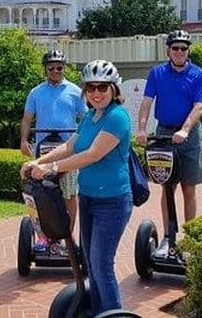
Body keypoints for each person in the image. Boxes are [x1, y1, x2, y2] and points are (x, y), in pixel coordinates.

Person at [21, 59, 133, 315]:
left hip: (112, 202)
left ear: (114, 89)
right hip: (89, 199)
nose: (96, 93)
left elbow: (93, 154)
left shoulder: (117, 117)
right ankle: (96, 311)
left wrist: (53, 169)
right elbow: (70, 145)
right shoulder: (91, 117)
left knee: (101, 263)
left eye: (102, 88)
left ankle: (113, 313)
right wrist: (39, 160)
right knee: (90, 264)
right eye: (91, 87)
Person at [136, 29, 202, 255]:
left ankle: (189, 239)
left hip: (190, 135)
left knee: (189, 188)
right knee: (167, 188)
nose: (179, 52)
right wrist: (141, 128)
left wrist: (185, 130)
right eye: (175, 48)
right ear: (168, 50)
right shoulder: (157, 73)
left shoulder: (199, 75)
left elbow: (199, 106)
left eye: (183, 48)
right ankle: (168, 237)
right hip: (164, 133)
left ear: (188, 51)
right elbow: (147, 102)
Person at [19, 49, 86, 251]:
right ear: (45, 69)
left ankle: (68, 237)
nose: (55, 71)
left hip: (67, 152)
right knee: (39, 195)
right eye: (51, 68)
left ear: (63, 68)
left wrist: (84, 141)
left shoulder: (75, 91)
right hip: (43, 151)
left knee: (69, 195)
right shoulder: (36, 92)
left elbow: (84, 119)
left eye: (59, 67)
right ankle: (42, 237)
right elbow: (27, 119)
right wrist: (23, 140)